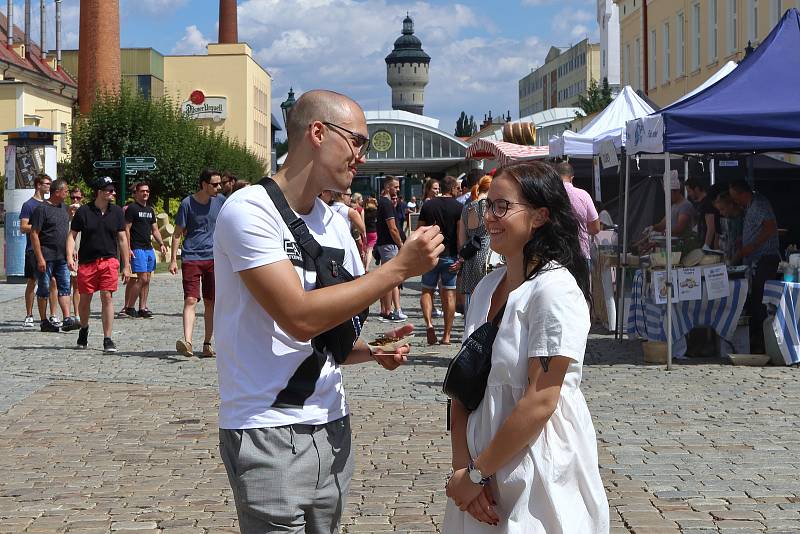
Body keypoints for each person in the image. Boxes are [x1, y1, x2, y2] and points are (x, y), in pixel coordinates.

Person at [213, 89, 443, 534]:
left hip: (332, 426)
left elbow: (328, 336)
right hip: (267, 429)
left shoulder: (337, 222)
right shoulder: (248, 211)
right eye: (357, 140)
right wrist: (398, 269)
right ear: (317, 133)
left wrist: (371, 350)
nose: (362, 154)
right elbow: (298, 317)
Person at [443, 161, 609, 533]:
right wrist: (464, 473)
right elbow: (464, 387)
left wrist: (476, 473)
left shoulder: (554, 290)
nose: (490, 218)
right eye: (489, 207)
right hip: (480, 474)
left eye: (502, 207)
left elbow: (541, 399)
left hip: (537, 468)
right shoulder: (487, 287)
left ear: (539, 217)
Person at [66, 176, 132, 353]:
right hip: (87, 263)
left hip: (109, 261)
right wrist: (69, 256)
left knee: (107, 297)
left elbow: (122, 239)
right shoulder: (84, 212)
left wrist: (126, 264)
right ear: (100, 192)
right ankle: (84, 328)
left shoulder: (117, 212)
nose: (113, 193)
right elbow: (72, 235)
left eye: (113, 189)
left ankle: (107, 338)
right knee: (85, 299)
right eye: (109, 190)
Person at [169, 168, 225, 358]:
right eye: (215, 184)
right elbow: (177, 233)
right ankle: (188, 342)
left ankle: (207, 343)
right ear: (203, 184)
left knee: (211, 302)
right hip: (192, 257)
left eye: (220, 184)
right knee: (191, 299)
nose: (219, 187)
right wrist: (172, 260)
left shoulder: (222, 202)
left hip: (214, 258)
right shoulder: (187, 203)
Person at [728, 179, 780, 354]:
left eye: (736, 198)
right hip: (755, 259)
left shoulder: (758, 204)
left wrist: (752, 246)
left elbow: (770, 227)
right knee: (755, 299)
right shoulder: (750, 206)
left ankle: (763, 342)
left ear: (743, 193)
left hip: (765, 258)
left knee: (760, 300)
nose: (735, 202)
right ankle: (758, 340)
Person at [29, 179, 78, 332]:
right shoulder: (41, 209)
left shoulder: (64, 208)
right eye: (66, 191)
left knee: (64, 288)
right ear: (57, 192)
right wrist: (40, 258)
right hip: (46, 256)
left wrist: (71, 251)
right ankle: (44, 321)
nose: (68, 194)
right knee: (43, 288)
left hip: (62, 256)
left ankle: (67, 318)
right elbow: (34, 234)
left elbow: (66, 232)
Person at [418, 175, 463, 345]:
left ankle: (429, 325)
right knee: (449, 293)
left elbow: (419, 231)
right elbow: (460, 235)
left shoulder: (428, 205)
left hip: (431, 254)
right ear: (452, 189)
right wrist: (460, 257)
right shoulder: (459, 207)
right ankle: (447, 335)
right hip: (450, 255)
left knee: (427, 291)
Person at [122, 182, 167, 318]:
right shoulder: (132, 209)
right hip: (137, 247)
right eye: (142, 191)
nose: (145, 193)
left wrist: (161, 243)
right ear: (136, 193)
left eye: (147, 191)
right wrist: (128, 248)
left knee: (147, 278)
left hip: (148, 248)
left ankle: (143, 307)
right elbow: (126, 229)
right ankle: (129, 307)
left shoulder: (150, 210)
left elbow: (154, 230)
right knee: (140, 278)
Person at [19, 174, 58, 328]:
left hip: (50, 250)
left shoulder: (51, 204)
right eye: (47, 184)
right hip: (32, 249)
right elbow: (23, 227)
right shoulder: (29, 205)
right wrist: (40, 227)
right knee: (32, 281)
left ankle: (53, 314)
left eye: (50, 184)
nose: (49, 186)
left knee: (53, 282)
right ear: (38, 185)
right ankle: (29, 314)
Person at [456, 175, 492, 312]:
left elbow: (461, 239)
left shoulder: (466, 208)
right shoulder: (488, 206)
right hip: (487, 255)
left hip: (470, 256)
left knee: (471, 302)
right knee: (487, 300)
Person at [556, 161, 600, 266]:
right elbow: (596, 228)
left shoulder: (549, 194)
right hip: (580, 253)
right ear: (572, 178)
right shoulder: (583, 195)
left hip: (556, 254)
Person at [375, 176, 406, 321]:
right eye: (396, 187)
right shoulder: (386, 203)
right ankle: (387, 311)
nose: (398, 189)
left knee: (387, 277)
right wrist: (401, 245)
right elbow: (392, 228)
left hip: (385, 244)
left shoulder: (384, 202)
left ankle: (386, 310)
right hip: (389, 245)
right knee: (390, 278)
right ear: (388, 187)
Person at [686, 178, 719, 249]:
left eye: (689, 191)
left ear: (696, 189)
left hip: (709, 247)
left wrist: (706, 246)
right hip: (702, 243)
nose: (688, 194)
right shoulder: (700, 204)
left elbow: (711, 228)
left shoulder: (707, 203)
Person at [713, 191, 744, 263]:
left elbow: (740, 247)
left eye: (722, 209)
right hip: (728, 258)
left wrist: (731, 263)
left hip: (738, 262)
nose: (720, 213)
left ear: (731, 205)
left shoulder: (741, 221)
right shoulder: (728, 219)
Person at [67, 186, 84, 319]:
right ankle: (65, 314)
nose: (75, 200)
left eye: (78, 197)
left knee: (77, 286)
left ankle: (77, 314)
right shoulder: (65, 213)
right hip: (65, 254)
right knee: (64, 286)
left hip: (80, 254)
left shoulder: (85, 213)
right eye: (73, 197)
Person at [363, 197, 378, 270]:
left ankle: (364, 266)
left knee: (366, 250)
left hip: (366, 232)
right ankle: (367, 267)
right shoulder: (375, 212)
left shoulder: (365, 211)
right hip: (374, 232)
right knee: (370, 250)